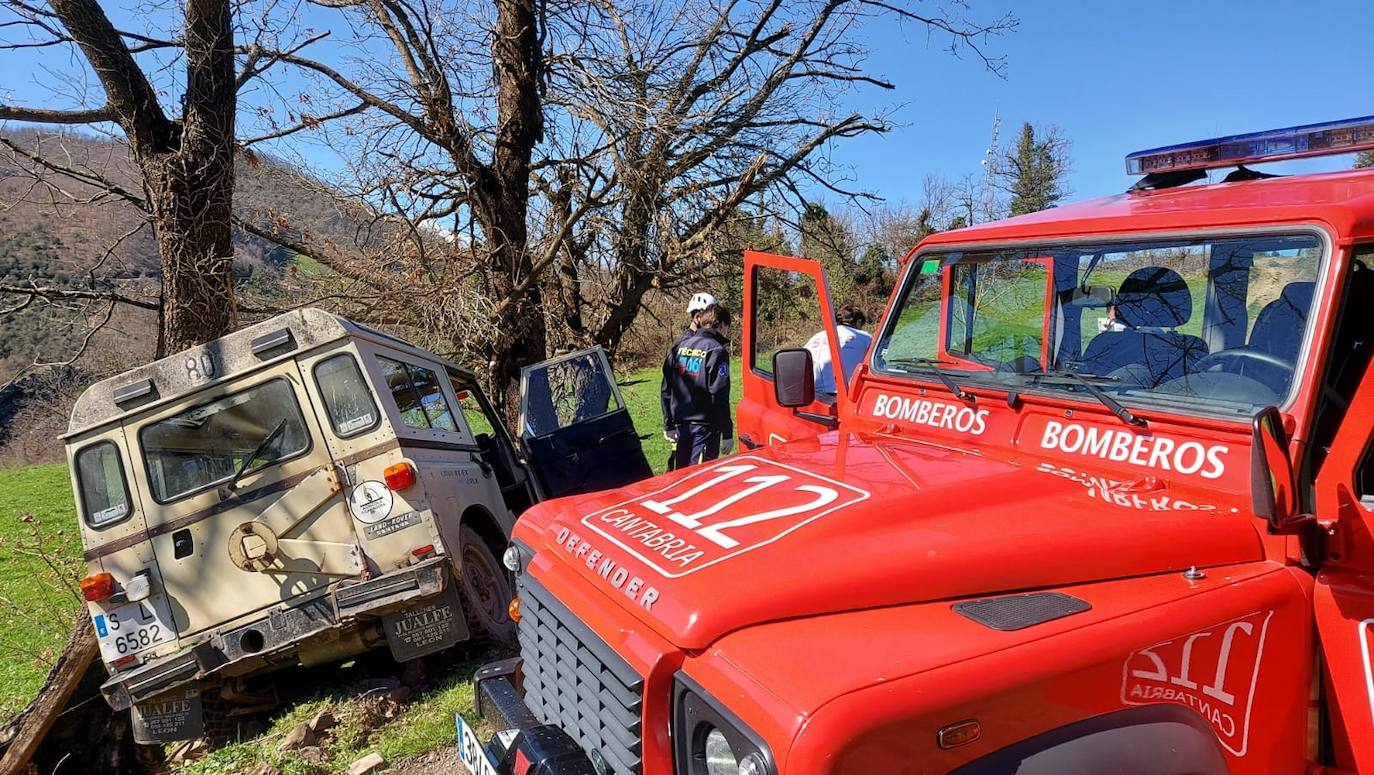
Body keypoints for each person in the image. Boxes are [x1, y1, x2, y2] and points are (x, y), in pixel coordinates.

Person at [665, 303, 734, 468]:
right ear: (721, 325)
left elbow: (666, 388)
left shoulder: (678, 347)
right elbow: (719, 394)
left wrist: (668, 424)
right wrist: (727, 432)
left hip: (682, 425)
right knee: (700, 477)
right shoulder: (717, 350)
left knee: (681, 475)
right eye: (726, 328)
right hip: (705, 429)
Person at [661, 292, 716, 459]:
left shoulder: (682, 346)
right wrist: (668, 424)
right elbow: (667, 387)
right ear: (698, 317)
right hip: (692, 424)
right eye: (709, 318)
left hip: (693, 422)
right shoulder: (681, 347)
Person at [805, 304, 872, 395]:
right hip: (843, 395)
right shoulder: (866, 338)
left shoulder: (817, 337)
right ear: (859, 322)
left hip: (811, 395)